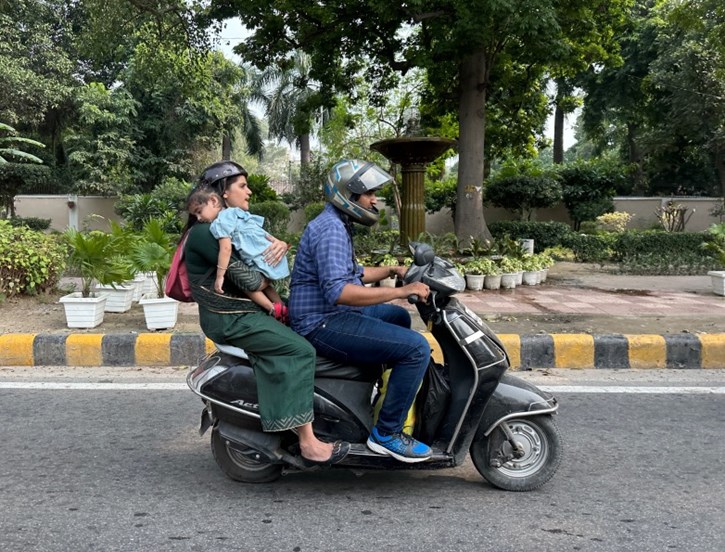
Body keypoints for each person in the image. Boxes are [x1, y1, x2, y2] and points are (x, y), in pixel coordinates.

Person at [184, 160, 349, 465]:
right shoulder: (206, 234)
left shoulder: (234, 224)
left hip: (246, 313)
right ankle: (307, 441)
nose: (249, 192)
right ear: (221, 194)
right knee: (299, 350)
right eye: (242, 186)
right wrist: (267, 270)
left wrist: (281, 246)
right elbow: (249, 279)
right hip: (231, 318)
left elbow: (264, 257)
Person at [289, 159, 433, 463]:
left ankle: (377, 390)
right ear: (348, 195)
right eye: (368, 194)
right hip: (321, 322)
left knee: (399, 317)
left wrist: (392, 268)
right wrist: (401, 290)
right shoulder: (330, 230)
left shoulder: (337, 223)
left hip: (328, 314)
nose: (374, 200)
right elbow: (340, 292)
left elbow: (353, 273)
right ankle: (387, 433)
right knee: (417, 348)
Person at [186, 185, 288, 321]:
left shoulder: (220, 222)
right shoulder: (233, 212)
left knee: (248, 286)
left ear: (213, 201)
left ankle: (272, 309)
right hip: (269, 254)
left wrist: (220, 275)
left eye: (199, 211)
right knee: (267, 287)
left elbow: (226, 249)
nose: (198, 218)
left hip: (260, 257)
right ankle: (282, 308)